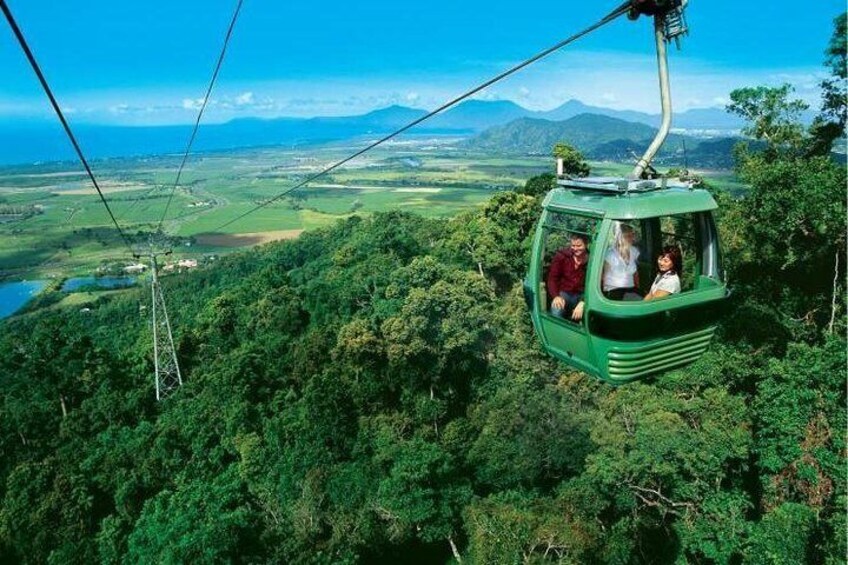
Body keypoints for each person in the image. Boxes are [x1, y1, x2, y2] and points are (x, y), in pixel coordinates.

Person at [547, 233, 589, 321]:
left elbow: (595, 284)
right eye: (573, 245)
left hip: (582, 295)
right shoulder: (562, 256)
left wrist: (584, 301)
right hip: (564, 293)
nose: (575, 249)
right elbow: (552, 278)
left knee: (590, 316)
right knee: (556, 311)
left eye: (579, 246)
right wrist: (556, 296)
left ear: (586, 244)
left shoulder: (591, 260)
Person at [602, 222, 641, 301]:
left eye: (632, 235)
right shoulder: (610, 254)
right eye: (628, 236)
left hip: (630, 289)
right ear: (620, 238)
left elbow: (636, 275)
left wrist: (639, 290)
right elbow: (604, 278)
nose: (632, 239)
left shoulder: (634, 251)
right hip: (614, 290)